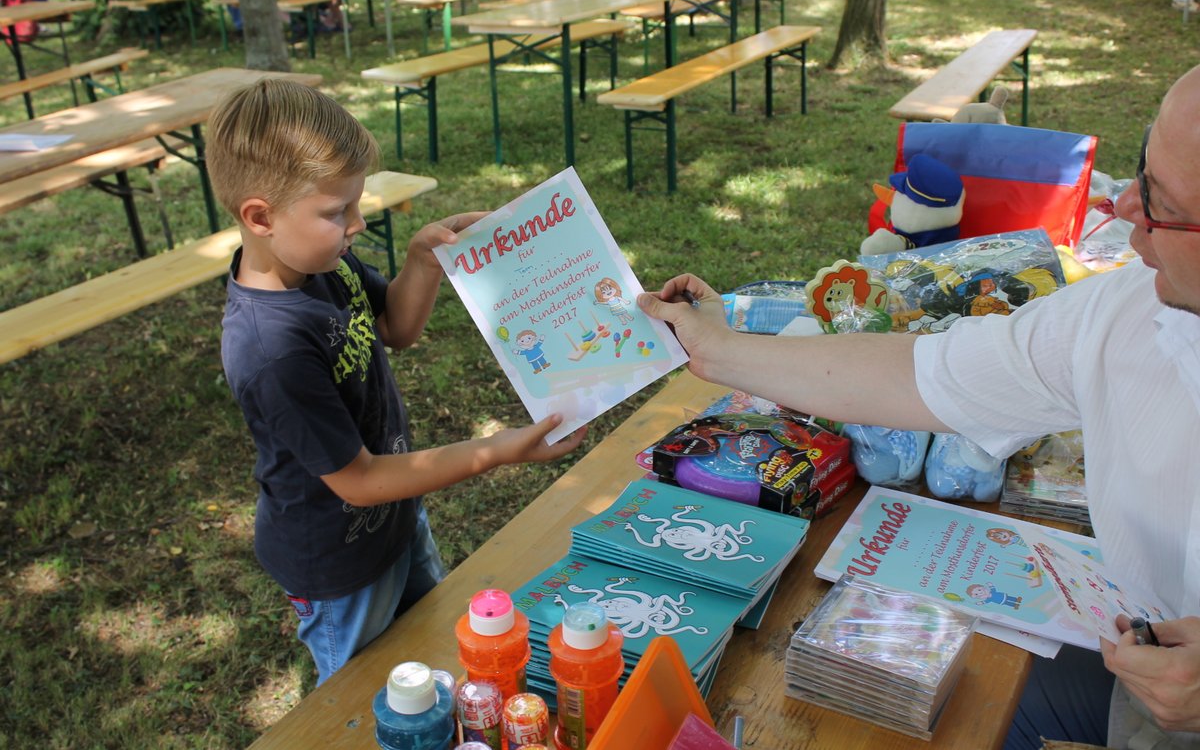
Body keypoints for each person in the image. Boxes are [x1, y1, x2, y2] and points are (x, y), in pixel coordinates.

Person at [638, 63, 1200, 749]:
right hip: (1136, 660)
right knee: (939, 699)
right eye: (1141, 173)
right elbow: (923, 374)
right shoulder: (1126, 311)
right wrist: (719, 352)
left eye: (1162, 203)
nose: (1125, 211)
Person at [208, 79, 586, 686]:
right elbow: (357, 481)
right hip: (337, 566)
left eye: (355, 204)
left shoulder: (320, 261)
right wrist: (495, 451)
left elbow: (394, 327)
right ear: (260, 216)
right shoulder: (269, 349)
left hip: (395, 520)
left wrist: (421, 262)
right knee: (373, 698)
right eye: (337, 212)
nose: (357, 222)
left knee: (431, 646)